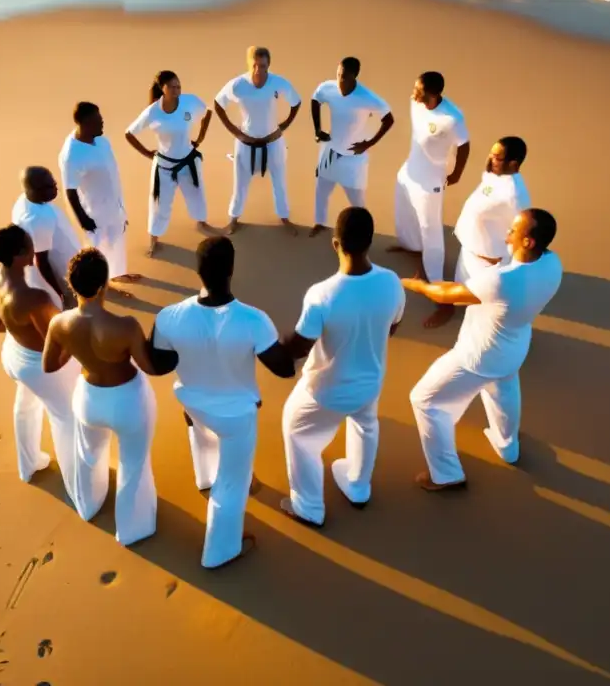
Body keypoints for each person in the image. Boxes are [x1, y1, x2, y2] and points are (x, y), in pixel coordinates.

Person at [151, 236, 296, 568]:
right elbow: (284, 369)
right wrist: (287, 343)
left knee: (201, 436)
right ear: (231, 270)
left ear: (197, 270)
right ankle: (219, 552)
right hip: (236, 417)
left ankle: (204, 477)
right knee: (230, 486)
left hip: (193, 404)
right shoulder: (254, 319)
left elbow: (160, 366)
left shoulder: (169, 317)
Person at [404, 209, 562, 489]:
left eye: (514, 231)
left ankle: (447, 474)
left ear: (528, 242)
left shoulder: (502, 281)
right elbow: (505, 276)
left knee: (424, 400)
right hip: (514, 348)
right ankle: (507, 447)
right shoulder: (552, 263)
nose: (507, 235)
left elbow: (446, 294)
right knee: (502, 392)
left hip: (478, 356)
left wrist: (415, 285)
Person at [42, 248, 177, 546]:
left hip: (89, 400)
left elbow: (49, 365)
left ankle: (88, 506)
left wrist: (77, 349)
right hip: (127, 402)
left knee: (88, 455)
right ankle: (132, 529)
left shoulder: (59, 324)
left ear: (71, 283)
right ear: (103, 286)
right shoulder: (126, 325)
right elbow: (150, 368)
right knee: (133, 463)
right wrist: (175, 353)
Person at [280, 207, 405, 527]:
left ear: (335, 244)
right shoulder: (391, 282)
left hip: (327, 390)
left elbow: (298, 348)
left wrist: (275, 343)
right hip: (371, 381)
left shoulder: (321, 295)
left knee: (295, 430)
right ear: (370, 241)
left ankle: (308, 507)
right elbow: (392, 328)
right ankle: (358, 487)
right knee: (366, 425)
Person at [0, 224, 80, 497]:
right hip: (39, 366)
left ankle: (29, 464)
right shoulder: (34, 298)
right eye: (30, 244)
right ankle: (78, 486)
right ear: (21, 254)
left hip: (12, 356)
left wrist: (20, 331)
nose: (35, 247)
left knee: (25, 406)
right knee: (65, 418)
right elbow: (54, 344)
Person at [388, 72, 471, 328]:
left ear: (434, 95)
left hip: (430, 184)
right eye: (415, 88)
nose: (413, 94)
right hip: (409, 172)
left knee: (431, 232)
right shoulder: (416, 102)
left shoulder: (452, 118)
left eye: (419, 91)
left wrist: (456, 173)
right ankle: (412, 247)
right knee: (404, 214)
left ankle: (441, 297)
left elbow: (464, 144)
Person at [435, 136, 532, 328]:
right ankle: (449, 308)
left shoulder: (514, 194)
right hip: (470, 247)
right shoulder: (495, 173)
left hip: (487, 259)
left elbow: (523, 234)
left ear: (513, 164)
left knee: (481, 303)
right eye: (491, 152)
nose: (490, 159)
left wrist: (506, 258)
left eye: (496, 157)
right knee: (460, 287)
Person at [125, 70, 222, 257]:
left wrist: (200, 136)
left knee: (197, 194)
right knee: (159, 204)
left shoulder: (189, 101)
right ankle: (154, 239)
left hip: (188, 161)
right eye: (172, 86)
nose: (177, 90)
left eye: (179, 86)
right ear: (163, 88)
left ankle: (201, 223)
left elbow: (208, 111)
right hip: (164, 166)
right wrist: (147, 153)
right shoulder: (153, 112)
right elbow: (129, 133)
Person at [213, 46, 302, 235]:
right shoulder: (238, 85)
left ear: (268, 65)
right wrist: (234, 131)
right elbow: (218, 104)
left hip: (273, 142)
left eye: (262, 66)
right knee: (240, 186)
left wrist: (284, 125)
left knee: (280, 183)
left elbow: (296, 102)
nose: (258, 70)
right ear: (249, 64)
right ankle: (233, 219)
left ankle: (285, 218)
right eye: (254, 65)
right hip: (246, 144)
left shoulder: (279, 83)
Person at [58, 101, 140, 297]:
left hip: (113, 204)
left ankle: (117, 274)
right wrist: (83, 219)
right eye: (98, 121)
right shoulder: (72, 154)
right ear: (84, 123)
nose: (103, 123)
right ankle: (102, 286)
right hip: (94, 211)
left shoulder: (101, 140)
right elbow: (70, 191)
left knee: (117, 240)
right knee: (98, 249)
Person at [310, 57, 394, 238]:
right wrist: (318, 129)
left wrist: (369, 143)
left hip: (354, 157)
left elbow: (388, 119)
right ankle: (319, 223)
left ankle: (363, 234)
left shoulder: (367, 97)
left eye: (344, 77)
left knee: (356, 200)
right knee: (321, 190)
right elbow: (315, 99)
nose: (340, 80)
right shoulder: (328, 88)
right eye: (338, 74)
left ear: (355, 76)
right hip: (330, 152)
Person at [11, 165, 81, 310]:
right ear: (35, 190)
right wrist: (59, 293)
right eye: (50, 186)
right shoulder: (37, 219)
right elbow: (41, 262)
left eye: (54, 183)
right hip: (64, 276)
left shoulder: (25, 200)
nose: (56, 188)